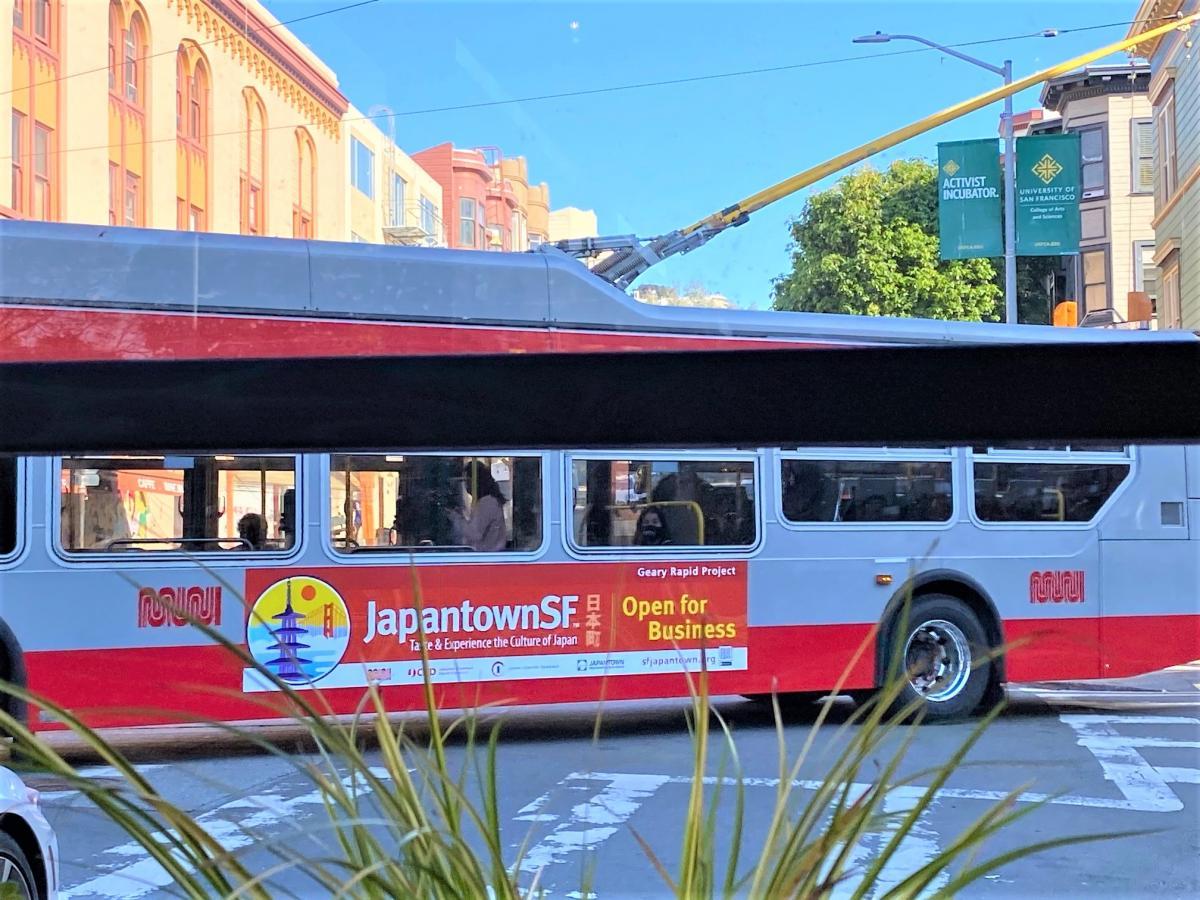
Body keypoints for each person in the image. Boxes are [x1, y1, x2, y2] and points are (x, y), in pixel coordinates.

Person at [448, 461, 507, 552]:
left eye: (468, 481)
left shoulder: (488, 502)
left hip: (487, 556)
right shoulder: (487, 501)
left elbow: (474, 533)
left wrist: (455, 517)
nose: (466, 485)